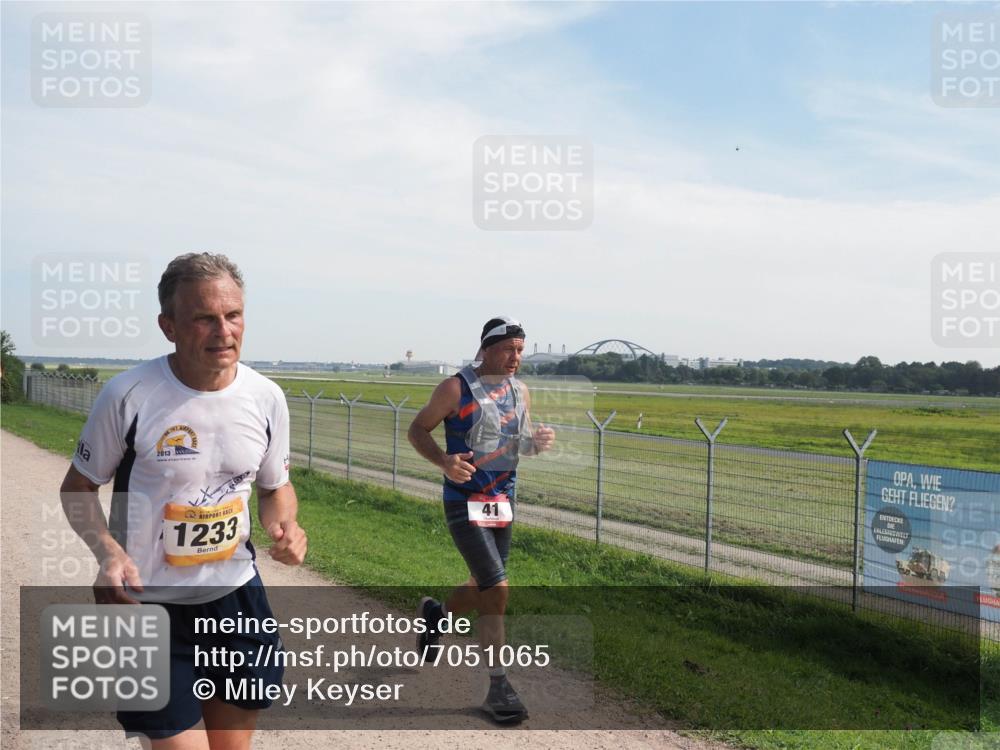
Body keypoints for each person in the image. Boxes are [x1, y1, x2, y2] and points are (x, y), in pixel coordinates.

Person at [59, 253, 307, 750]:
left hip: (234, 599)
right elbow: (78, 487)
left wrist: (286, 527)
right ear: (168, 325)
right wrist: (109, 553)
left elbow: (274, 485)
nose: (223, 331)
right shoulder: (129, 395)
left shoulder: (266, 397)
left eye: (233, 315)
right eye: (204, 318)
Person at [407, 316, 555, 723]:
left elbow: (518, 444)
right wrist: (443, 461)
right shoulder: (455, 387)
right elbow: (418, 429)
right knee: (497, 588)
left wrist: (536, 444)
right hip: (463, 500)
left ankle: (439, 616)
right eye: (508, 349)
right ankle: (498, 686)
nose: (515, 357)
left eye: (521, 350)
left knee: (481, 583)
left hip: (503, 500)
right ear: (486, 349)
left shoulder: (519, 391)